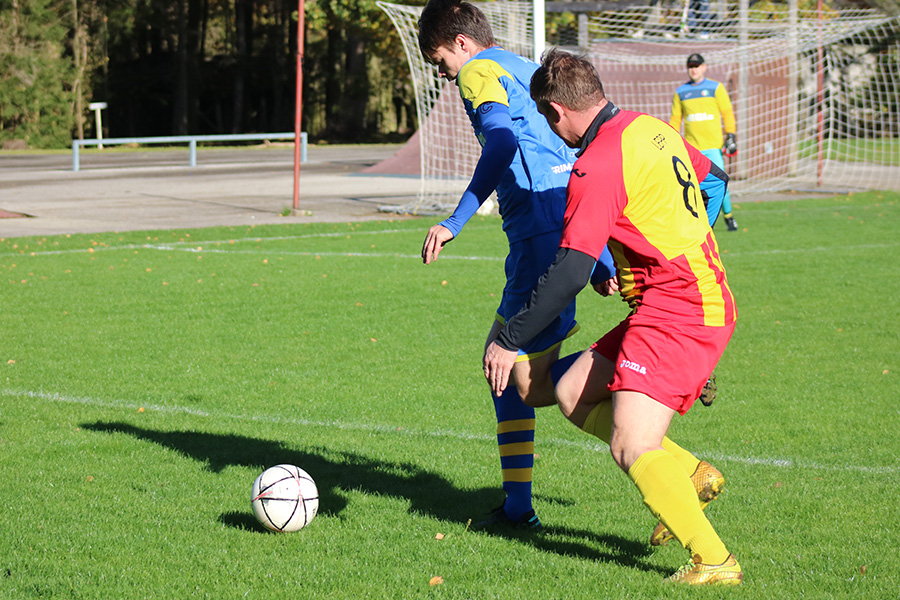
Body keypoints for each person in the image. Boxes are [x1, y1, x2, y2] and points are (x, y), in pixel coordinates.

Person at [483, 48, 742, 585]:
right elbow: (715, 179)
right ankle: (691, 476)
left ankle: (715, 561)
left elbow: (570, 272)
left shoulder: (596, 164)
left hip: (680, 312)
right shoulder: (649, 127)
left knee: (631, 443)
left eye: (545, 117)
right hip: (681, 301)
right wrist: (672, 244)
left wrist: (510, 339)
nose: (549, 129)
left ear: (557, 110)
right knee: (570, 391)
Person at [417, 0, 616, 529]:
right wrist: (598, 253)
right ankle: (517, 507)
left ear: (461, 43)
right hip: (572, 223)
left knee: (518, 376)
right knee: (507, 371)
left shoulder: (478, 71)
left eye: (440, 61)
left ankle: (642, 405)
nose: (444, 75)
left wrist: (455, 220)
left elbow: (503, 142)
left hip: (536, 237)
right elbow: (573, 155)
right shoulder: (527, 68)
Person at [670, 53, 739, 231]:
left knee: (720, 183)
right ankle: (699, 221)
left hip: (713, 147)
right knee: (692, 186)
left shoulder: (716, 88)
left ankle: (728, 216)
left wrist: (731, 135)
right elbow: (676, 119)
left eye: (697, 66)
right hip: (692, 149)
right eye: (690, 67)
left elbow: (727, 113)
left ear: (704, 67)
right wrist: (671, 139)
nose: (693, 70)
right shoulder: (680, 92)